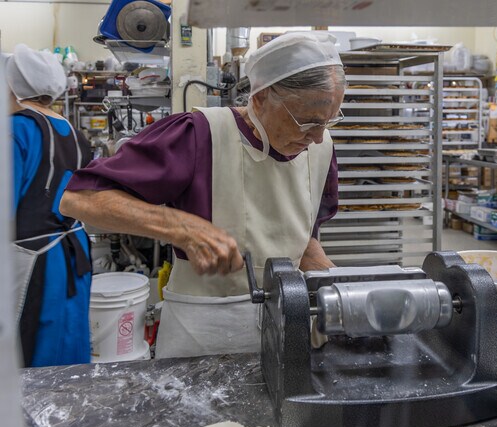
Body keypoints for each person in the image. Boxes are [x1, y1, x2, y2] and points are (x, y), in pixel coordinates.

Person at [60, 33, 346, 358]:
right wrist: (181, 228)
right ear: (261, 98)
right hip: (201, 338)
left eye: (329, 121)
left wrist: (333, 280)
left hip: (283, 330)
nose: (319, 137)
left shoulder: (320, 151)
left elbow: (299, 233)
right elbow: (80, 198)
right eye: (307, 121)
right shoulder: (199, 136)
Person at [6, 44, 93, 367]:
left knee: (33, 361)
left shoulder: (16, 130)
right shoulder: (74, 133)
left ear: (14, 86)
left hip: (35, 264)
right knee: (68, 359)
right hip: (73, 256)